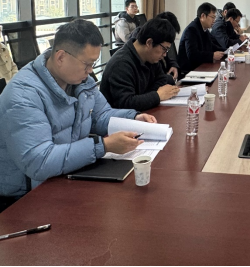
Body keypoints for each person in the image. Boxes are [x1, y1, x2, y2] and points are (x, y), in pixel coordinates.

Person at [0, 20, 156, 209]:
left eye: (93, 64)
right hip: (23, 199)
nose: (90, 71)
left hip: (66, 176)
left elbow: (100, 115)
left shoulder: (80, 82)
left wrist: (133, 118)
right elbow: (40, 162)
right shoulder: (23, 96)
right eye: (86, 64)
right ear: (61, 57)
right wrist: (102, 146)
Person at [101, 18, 180, 112]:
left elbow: (161, 79)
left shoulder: (150, 57)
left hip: (143, 113)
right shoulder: (121, 64)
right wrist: (157, 95)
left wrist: (146, 98)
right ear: (149, 43)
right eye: (164, 49)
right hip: (120, 118)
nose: (165, 54)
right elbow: (125, 103)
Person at [131, 11, 181, 82]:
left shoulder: (160, 46)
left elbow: (168, 56)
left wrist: (173, 65)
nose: (164, 54)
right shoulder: (145, 46)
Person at [178, 3, 226, 74]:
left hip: (201, 67)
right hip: (190, 71)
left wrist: (226, 51)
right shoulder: (191, 30)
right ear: (203, 16)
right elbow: (192, 55)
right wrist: (212, 55)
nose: (214, 20)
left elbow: (211, 46)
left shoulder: (204, 28)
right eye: (212, 17)